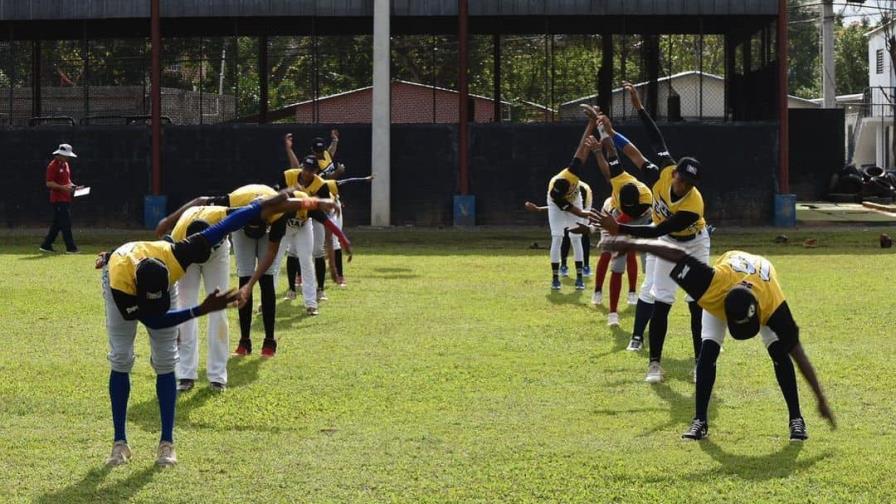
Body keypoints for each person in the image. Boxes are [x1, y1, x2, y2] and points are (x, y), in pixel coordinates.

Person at [99, 193, 318, 467]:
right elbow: (153, 320)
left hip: (154, 266)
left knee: (166, 360)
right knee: (121, 358)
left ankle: (167, 443)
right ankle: (120, 442)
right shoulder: (120, 285)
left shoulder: (179, 255)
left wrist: (263, 205)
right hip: (118, 273)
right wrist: (198, 310)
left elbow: (228, 224)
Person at [600, 236, 836, 441]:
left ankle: (796, 418)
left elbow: (799, 354)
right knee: (708, 352)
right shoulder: (711, 283)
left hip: (761, 283)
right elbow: (674, 253)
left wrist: (820, 399)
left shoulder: (773, 306)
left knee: (779, 352)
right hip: (726, 282)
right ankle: (700, 421)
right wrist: (630, 243)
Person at [594, 88, 710, 383]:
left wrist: (619, 228)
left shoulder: (693, 205)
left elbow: (656, 229)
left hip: (694, 244)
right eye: (683, 179)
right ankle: (655, 364)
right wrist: (635, 112)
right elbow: (642, 146)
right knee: (662, 300)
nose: (684, 185)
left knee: (697, 302)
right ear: (675, 174)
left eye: (690, 182)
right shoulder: (664, 172)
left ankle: (700, 363)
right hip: (668, 244)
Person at [162, 204, 234, 392]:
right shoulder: (178, 239)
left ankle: (218, 376)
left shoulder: (223, 220)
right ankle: (185, 374)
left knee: (218, 310)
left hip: (217, 252)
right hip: (188, 256)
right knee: (185, 309)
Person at [544, 117, 596, 291]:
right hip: (557, 205)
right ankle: (555, 278)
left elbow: (581, 147)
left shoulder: (571, 173)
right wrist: (590, 215)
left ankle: (580, 277)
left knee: (576, 237)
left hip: (575, 199)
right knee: (558, 237)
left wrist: (591, 123)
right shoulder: (556, 196)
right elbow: (579, 213)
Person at [523, 181, 593, 281]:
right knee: (562, 234)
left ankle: (585, 266)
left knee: (581, 234)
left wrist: (587, 217)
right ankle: (563, 265)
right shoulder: (558, 187)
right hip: (568, 206)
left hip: (583, 207)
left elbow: (579, 210)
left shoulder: (584, 190)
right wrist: (539, 209)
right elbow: (557, 206)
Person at [40, 143, 82, 253]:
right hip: (58, 200)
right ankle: (71, 248)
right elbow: (49, 183)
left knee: (57, 224)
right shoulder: (52, 166)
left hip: (66, 198)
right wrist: (63, 188)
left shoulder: (66, 165)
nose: (67, 158)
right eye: (66, 156)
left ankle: (46, 245)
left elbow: (68, 181)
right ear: (59, 155)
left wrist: (74, 187)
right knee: (66, 223)